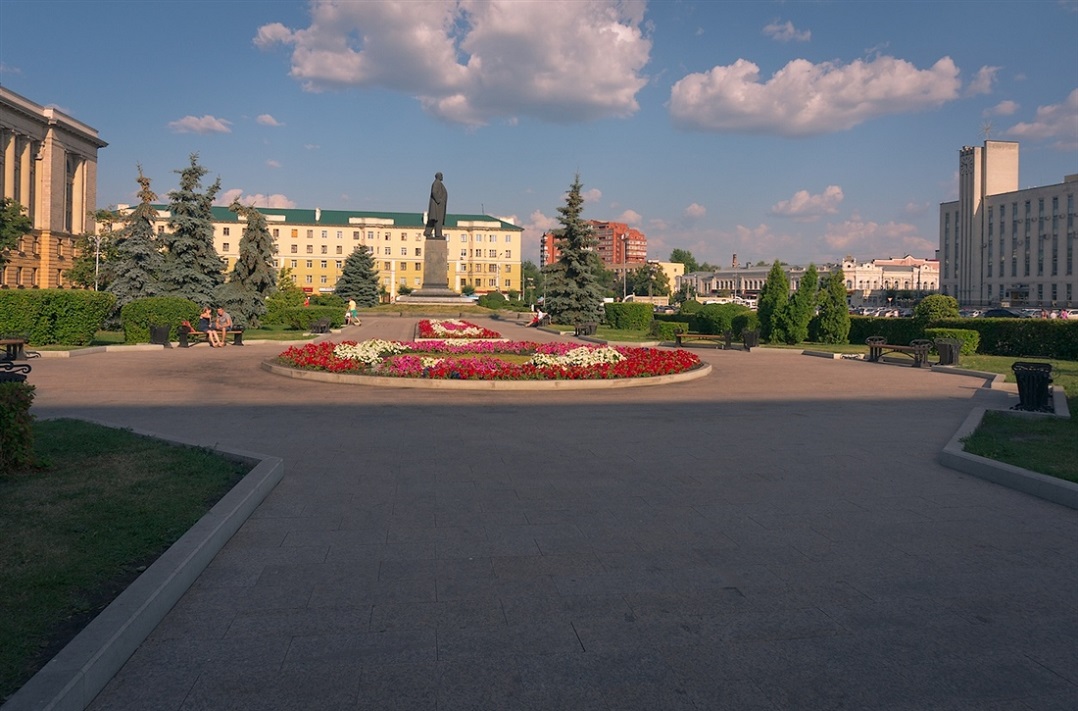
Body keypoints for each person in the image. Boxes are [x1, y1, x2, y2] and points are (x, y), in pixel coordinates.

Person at [422, 171, 447, 240]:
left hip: (438, 205)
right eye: (441, 176)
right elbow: (434, 192)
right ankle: (438, 234)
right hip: (437, 205)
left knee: (433, 219)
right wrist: (439, 200)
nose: (442, 177)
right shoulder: (437, 183)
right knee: (438, 219)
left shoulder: (438, 183)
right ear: (438, 176)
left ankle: (427, 232)